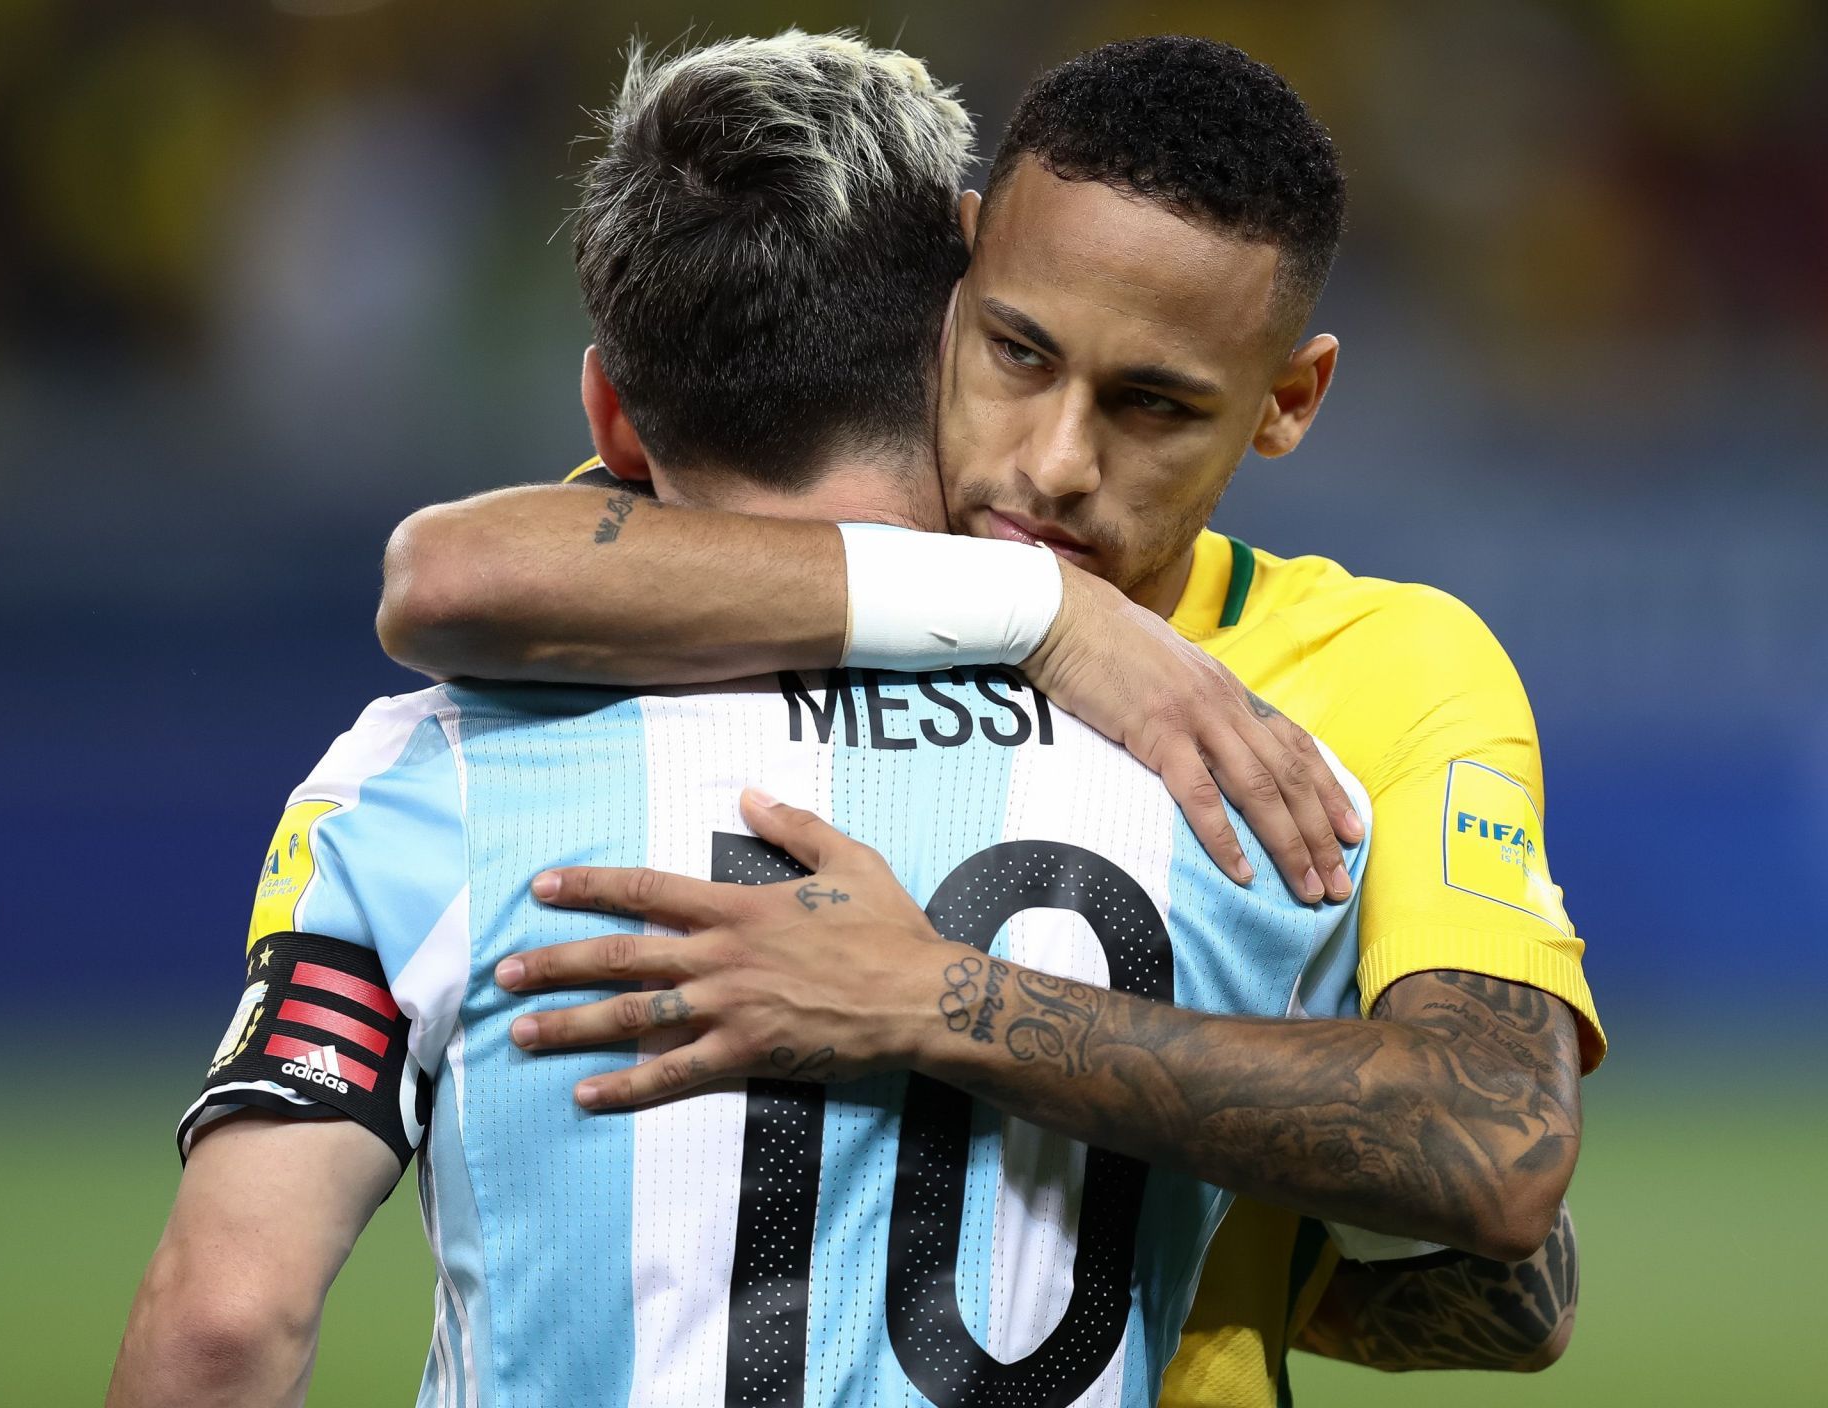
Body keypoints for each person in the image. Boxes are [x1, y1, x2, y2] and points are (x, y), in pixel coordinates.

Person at [107, 32, 1378, 1408]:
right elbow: (1451, 1239)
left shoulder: (425, 780)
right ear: (954, 343)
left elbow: (224, 1323)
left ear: (611, 414)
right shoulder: (1246, 793)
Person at [378, 34, 1603, 1405]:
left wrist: (942, 1005)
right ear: (962, 266)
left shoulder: (1385, 669)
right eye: (1020, 350)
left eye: (1155, 405)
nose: (1056, 462)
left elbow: (1497, 1177)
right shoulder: (756, 566)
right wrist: (1040, 613)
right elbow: (453, 573)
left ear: (1289, 401)